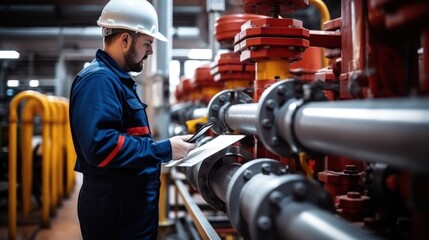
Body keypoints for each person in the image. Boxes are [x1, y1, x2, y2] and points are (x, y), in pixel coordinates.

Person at [69, 0, 196, 239]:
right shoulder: (99, 81)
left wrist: (168, 147)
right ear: (125, 40)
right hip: (116, 212)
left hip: (125, 207)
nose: (150, 51)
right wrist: (164, 150)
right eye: (147, 43)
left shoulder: (115, 80)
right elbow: (102, 147)